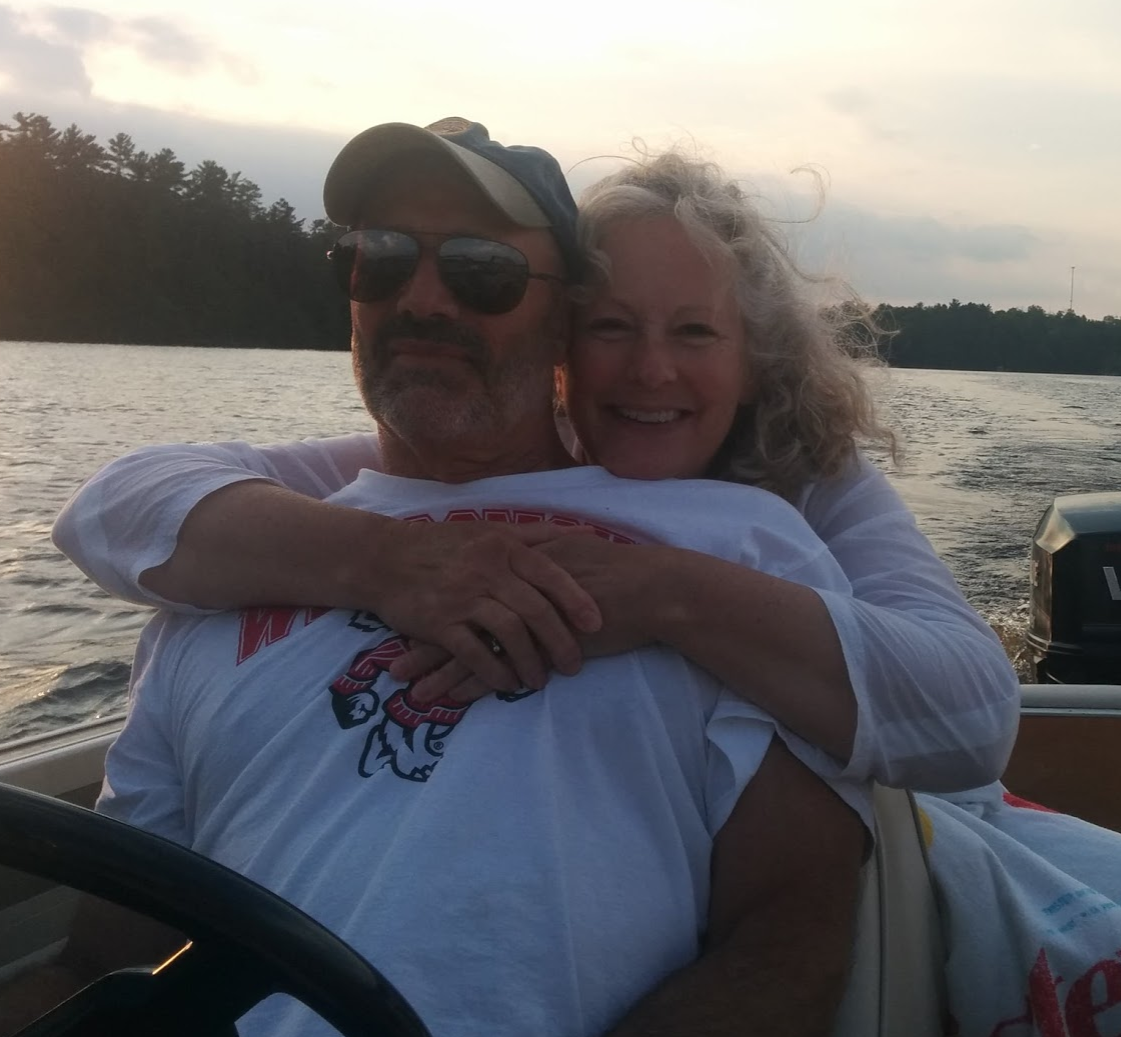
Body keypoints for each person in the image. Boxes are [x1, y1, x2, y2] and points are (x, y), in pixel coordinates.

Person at [0, 118, 869, 1037]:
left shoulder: (728, 547)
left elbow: (790, 942)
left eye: (483, 270)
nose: (422, 297)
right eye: (380, 258)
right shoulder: (224, 572)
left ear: (567, 314)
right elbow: (106, 956)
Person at [52, 159, 1021, 795]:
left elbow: (970, 713)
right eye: (610, 327)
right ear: (560, 343)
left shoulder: (804, 482)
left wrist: (659, 591)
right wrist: (384, 561)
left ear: (755, 360)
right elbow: (115, 506)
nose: (650, 371)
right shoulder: (474, 470)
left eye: (693, 331)